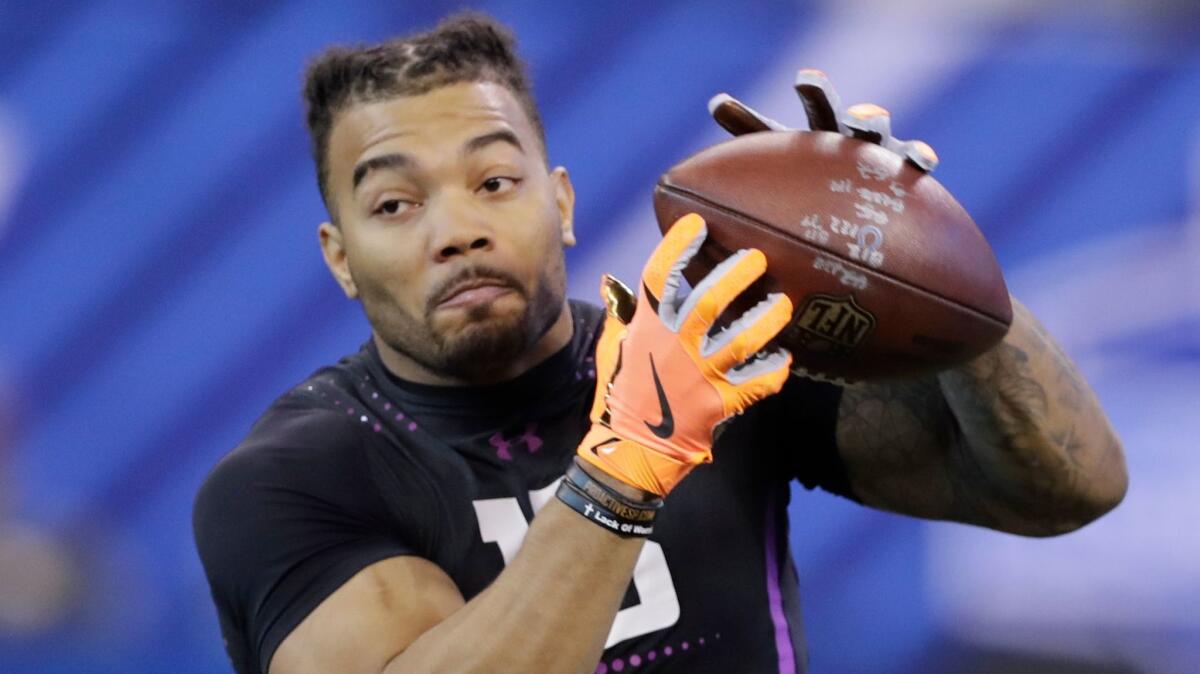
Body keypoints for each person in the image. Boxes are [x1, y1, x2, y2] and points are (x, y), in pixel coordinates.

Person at [193, 13, 1127, 674]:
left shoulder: (716, 366)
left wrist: (920, 257)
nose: (456, 231)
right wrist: (627, 465)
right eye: (395, 204)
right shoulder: (296, 477)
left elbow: (1068, 492)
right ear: (341, 258)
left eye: (493, 181)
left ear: (559, 202)